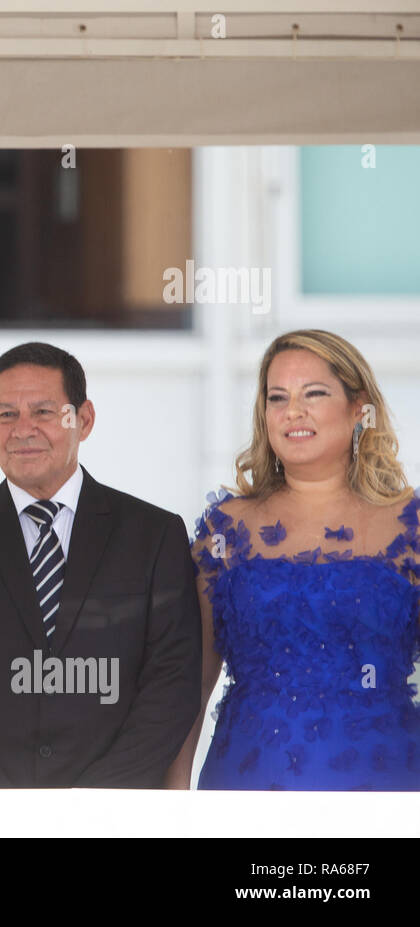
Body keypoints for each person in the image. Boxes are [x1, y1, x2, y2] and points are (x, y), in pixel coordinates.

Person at [0, 342, 201, 787]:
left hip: (110, 818)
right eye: (6, 414)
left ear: (85, 419)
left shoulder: (154, 535)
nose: (23, 430)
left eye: (43, 412)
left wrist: (92, 804)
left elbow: (173, 682)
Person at [166, 330, 420, 790]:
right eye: (277, 397)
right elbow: (192, 682)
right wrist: (173, 800)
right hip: (248, 783)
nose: (293, 412)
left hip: (388, 789)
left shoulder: (411, 525)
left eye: (314, 394)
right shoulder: (225, 529)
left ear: (359, 407)